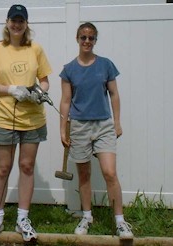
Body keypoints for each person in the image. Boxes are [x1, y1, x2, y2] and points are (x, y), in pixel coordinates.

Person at [0, 4, 52, 243]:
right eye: (14, 20)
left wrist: (38, 92)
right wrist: (11, 89)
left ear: (26, 24)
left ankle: (22, 219)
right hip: (4, 118)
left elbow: (45, 81)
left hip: (32, 119)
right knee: (3, 168)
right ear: (7, 22)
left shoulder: (36, 49)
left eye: (21, 21)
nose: (17, 25)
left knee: (27, 166)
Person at [59, 22, 134, 239]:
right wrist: (62, 130)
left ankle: (120, 221)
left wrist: (117, 122)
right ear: (77, 39)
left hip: (103, 126)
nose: (87, 41)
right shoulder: (69, 70)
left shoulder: (106, 65)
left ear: (95, 40)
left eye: (91, 38)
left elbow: (114, 95)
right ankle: (87, 216)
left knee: (110, 173)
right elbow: (65, 101)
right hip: (79, 126)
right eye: (83, 37)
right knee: (84, 174)